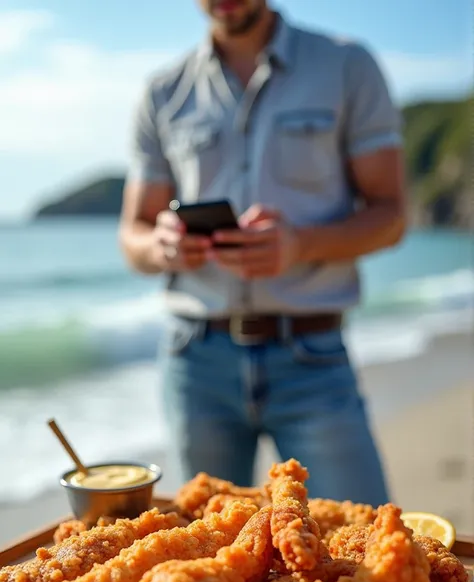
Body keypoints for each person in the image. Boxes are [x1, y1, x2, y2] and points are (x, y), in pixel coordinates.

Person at [119, 0, 406, 503]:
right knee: (206, 553)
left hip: (312, 357)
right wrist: (162, 246)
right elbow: (133, 236)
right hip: (195, 362)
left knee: (364, 547)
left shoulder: (346, 65)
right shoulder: (162, 90)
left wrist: (300, 244)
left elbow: (391, 215)